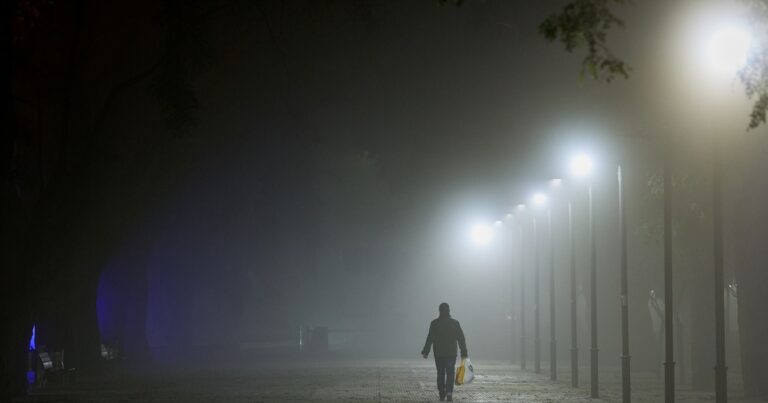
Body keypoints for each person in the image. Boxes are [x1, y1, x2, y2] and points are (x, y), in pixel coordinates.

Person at [421, 302, 468, 402]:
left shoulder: (435, 323)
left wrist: (426, 351)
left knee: (441, 373)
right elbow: (461, 338)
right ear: (449, 310)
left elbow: (430, 338)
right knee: (450, 372)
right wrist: (464, 351)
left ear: (439, 311)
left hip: (439, 353)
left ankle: (442, 392)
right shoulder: (455, 323)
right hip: (451, 353)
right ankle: (449, 392)